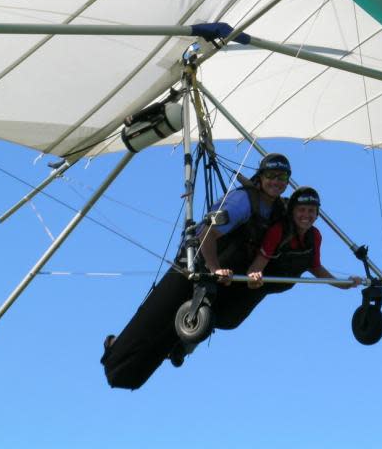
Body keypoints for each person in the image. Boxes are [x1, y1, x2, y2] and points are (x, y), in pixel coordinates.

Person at [100, 153, 291, 390]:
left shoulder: (276, 210)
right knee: (154, 322)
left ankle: (175, 348)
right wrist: (213, 268)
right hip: (197, 262)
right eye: (271, 175)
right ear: (260, 177)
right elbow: (207, 234)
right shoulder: (243, 201)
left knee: (174, 331)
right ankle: (115, 349)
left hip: (223, 269)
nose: (277, 181)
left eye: (282, 176)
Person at [246, 186, 362, 294]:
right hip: (259, 285)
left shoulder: (314, 236)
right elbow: (255, 268)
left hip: (278, 286)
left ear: (317, 215)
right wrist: (253, 279)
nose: (306, 215)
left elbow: (315, 268)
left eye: (311, 210)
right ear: (292, 212)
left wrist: (345, 284)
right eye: (301, 210)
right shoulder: (278, 231)